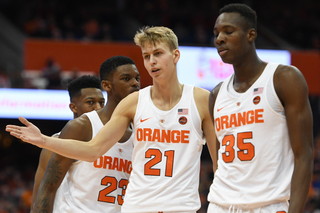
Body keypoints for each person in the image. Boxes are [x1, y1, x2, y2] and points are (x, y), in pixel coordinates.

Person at [6, 26, 217, 212]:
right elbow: (93, 149)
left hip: (181, 207)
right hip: (137, 207)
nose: (152, 61)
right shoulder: (133, 103)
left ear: (176, 55)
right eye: (146, 56)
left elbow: (220, 165)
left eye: (158, 54)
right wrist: (43, 140)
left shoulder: (201, 100)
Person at [207, 3, 314, 213]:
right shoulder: (216, 94)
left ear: (251, 35)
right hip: (220, 205)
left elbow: (305, 155)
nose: (219, 38)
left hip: (269, 205)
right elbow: (219, 160)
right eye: (216, 33)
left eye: (228, 32)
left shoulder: (284, 79)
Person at [33, 56, 140, 212]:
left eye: (137, 78)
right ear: (107, 85)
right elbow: (46, 189)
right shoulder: (80, 127)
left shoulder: (140, 131)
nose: (135, 83)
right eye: (126, 78)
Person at [30, 74, 105, 212]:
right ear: (74, 107)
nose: (98, 107)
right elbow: (38, 198)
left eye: (101, 102)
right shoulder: (56, 143)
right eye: (90, 102)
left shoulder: (109, 140)